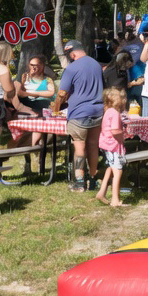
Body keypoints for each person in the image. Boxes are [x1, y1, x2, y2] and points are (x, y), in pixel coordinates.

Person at [50, 39, 105, 192]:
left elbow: (61, 93)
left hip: (79, 114)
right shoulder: (96, 64)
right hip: (97, 111)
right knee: (93, 145)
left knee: (79, 146)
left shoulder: (71, 68)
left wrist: (56, 109)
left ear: (72, 53)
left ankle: (80, 182)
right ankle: (93, 179)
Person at [95, 88, 129, 207]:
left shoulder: (108, 111)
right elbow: (115, 131)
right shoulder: (114, 113)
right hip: (113, 145)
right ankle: (115, 200)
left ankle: (102, 192)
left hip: (105, 144)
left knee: (110, 167)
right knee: (118, 171)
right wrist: (123, 134)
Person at [17, 54, 57, 148]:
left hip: (42, 104)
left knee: (39, 118)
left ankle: (34, 146)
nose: (34, 67)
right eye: (31, 65)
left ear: (42, 66)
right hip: (28, 104)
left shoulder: (47, 79)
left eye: (36, 65)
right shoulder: (25, 76)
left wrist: (34, 93)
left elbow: (51, 92)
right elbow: (21, 92)